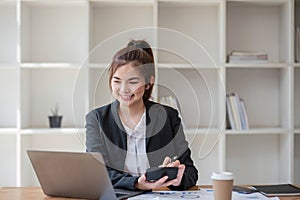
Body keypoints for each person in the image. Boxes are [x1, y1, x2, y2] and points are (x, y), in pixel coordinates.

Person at [85, 40, 198, 191]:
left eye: (132, 82)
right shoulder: (97, 119)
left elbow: (191, 173)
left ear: (148, 82)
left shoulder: (168, 117)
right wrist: (136, 183)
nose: (124, 89)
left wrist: (177, 179)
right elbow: (95, 173)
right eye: (117, 81)